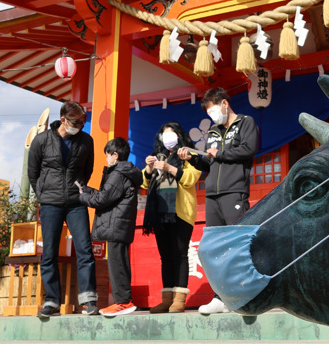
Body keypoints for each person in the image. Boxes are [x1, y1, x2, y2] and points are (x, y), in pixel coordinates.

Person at [179, 87, 258, 315]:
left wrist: (219, 154)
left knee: (237, 245)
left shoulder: (245, 122)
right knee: (215, 248)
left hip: (234, 192)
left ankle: (245, 295)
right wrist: (193, 159)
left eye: (213, 110)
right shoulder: (213, 132)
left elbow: (248, 149)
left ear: (225, 103)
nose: (212, 116)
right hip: (212, 195)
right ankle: (219, 297)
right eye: (209, 113)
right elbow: (209, 164)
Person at [27, 101, 97, 318]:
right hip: (50, 203)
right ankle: (52, 301)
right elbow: (33, 172)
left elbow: (88, 169)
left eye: (84, 122)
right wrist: (43, 195)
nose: (81, 126)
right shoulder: (42, 140)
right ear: (64, 120)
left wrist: (77, 189)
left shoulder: (86, 140)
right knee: (49, 253)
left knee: (85, 251)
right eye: (77, 122)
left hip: (76, 202)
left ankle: (88, 300)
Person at [77, 137, 143, 317]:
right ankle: (123, 301)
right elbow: (107, 195)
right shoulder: (125, 172)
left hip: (116, 224)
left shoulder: (118, 174)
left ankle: (123, 302)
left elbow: (102, 200)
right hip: (120, 224)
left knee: (117, 265)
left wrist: (81, 197)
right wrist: (87, 190)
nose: (107, 159)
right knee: (119, 263)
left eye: (107, 155)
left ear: (115, 154)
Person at [142, 122, 201, 314]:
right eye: (164, 134)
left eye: (171, 134)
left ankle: (179, 299)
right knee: (165, 257)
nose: (168, 138)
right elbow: (145, 183)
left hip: (180, 211)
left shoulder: (188, 155)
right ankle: (167, 299)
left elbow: (191, 178)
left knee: (180, 254)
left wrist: (169, 167)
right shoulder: (159, 156)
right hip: (160, 212)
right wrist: (150, 169)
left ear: (179, 136)